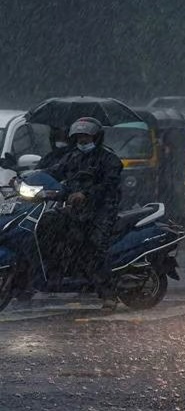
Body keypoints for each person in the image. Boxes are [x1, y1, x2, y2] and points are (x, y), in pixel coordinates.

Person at [41, 118, 124, 309]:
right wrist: (25, 177)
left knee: (93, 245)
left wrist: (86, 194)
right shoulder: (72, 157)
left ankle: (108, 292)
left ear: (97, 137)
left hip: (101, 210)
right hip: (75, 209)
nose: (82, 140)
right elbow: (53, 172)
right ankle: (54, 274)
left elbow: (109, 184)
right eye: (79, 136)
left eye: (86, 136)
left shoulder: (109, 159)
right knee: (47, 225)